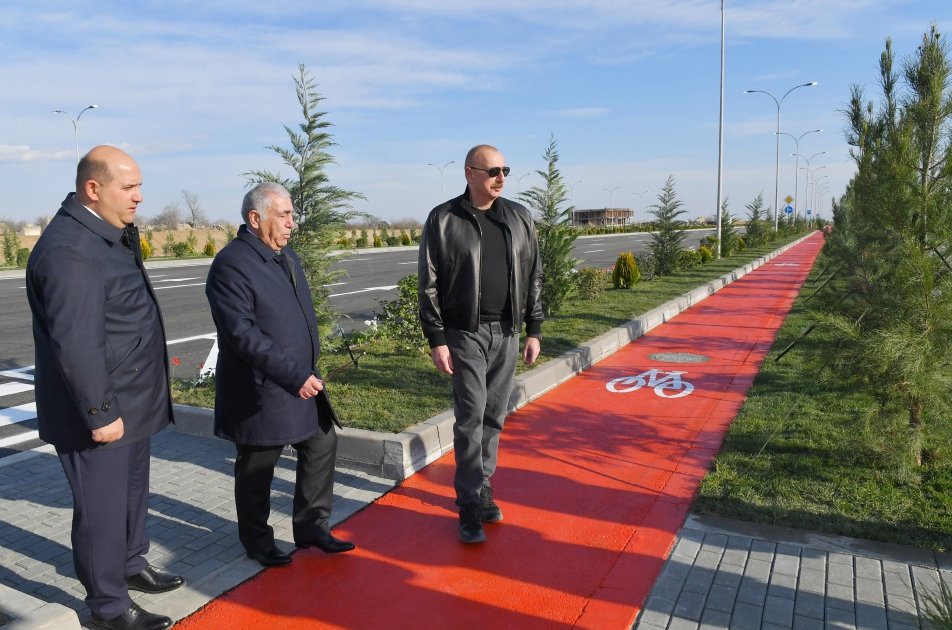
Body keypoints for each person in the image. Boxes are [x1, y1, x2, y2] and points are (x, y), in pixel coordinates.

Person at [26, 146, 183, 630]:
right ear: (93, 189)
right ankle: (109, 608)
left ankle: (131, 564)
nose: (139, 196)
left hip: (131, 399)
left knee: (132, 496)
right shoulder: (69, 250)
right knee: (101, 510)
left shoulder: (107, 235)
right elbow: (77, 344)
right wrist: (100, 412)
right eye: (129, 187)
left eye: (139, 185)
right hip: (100, 409)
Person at [205, 182, 354, 568]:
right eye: (284, 215)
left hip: (300, 381)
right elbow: (242, 334)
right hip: (263, 389)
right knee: (257, 467)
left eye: (292, 215)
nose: (292, 223)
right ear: (256, 219)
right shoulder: (231, 264)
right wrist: (292, 373)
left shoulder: (287, 257)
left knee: (321, 444)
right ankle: (256, 540)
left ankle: (311, 527)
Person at [418, 144, 543, 544]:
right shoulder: (444, 218)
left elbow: (534, 274)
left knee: (494, 415)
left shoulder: (519, 217)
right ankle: (469, 502)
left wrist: (534, 328)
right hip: (465, 333)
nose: (501, 177)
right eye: (492, 171)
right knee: (470, 414)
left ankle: (484, 485)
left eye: (505, 169)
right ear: (470, 173)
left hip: (506, 332)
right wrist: (437, 338)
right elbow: (429, 284)